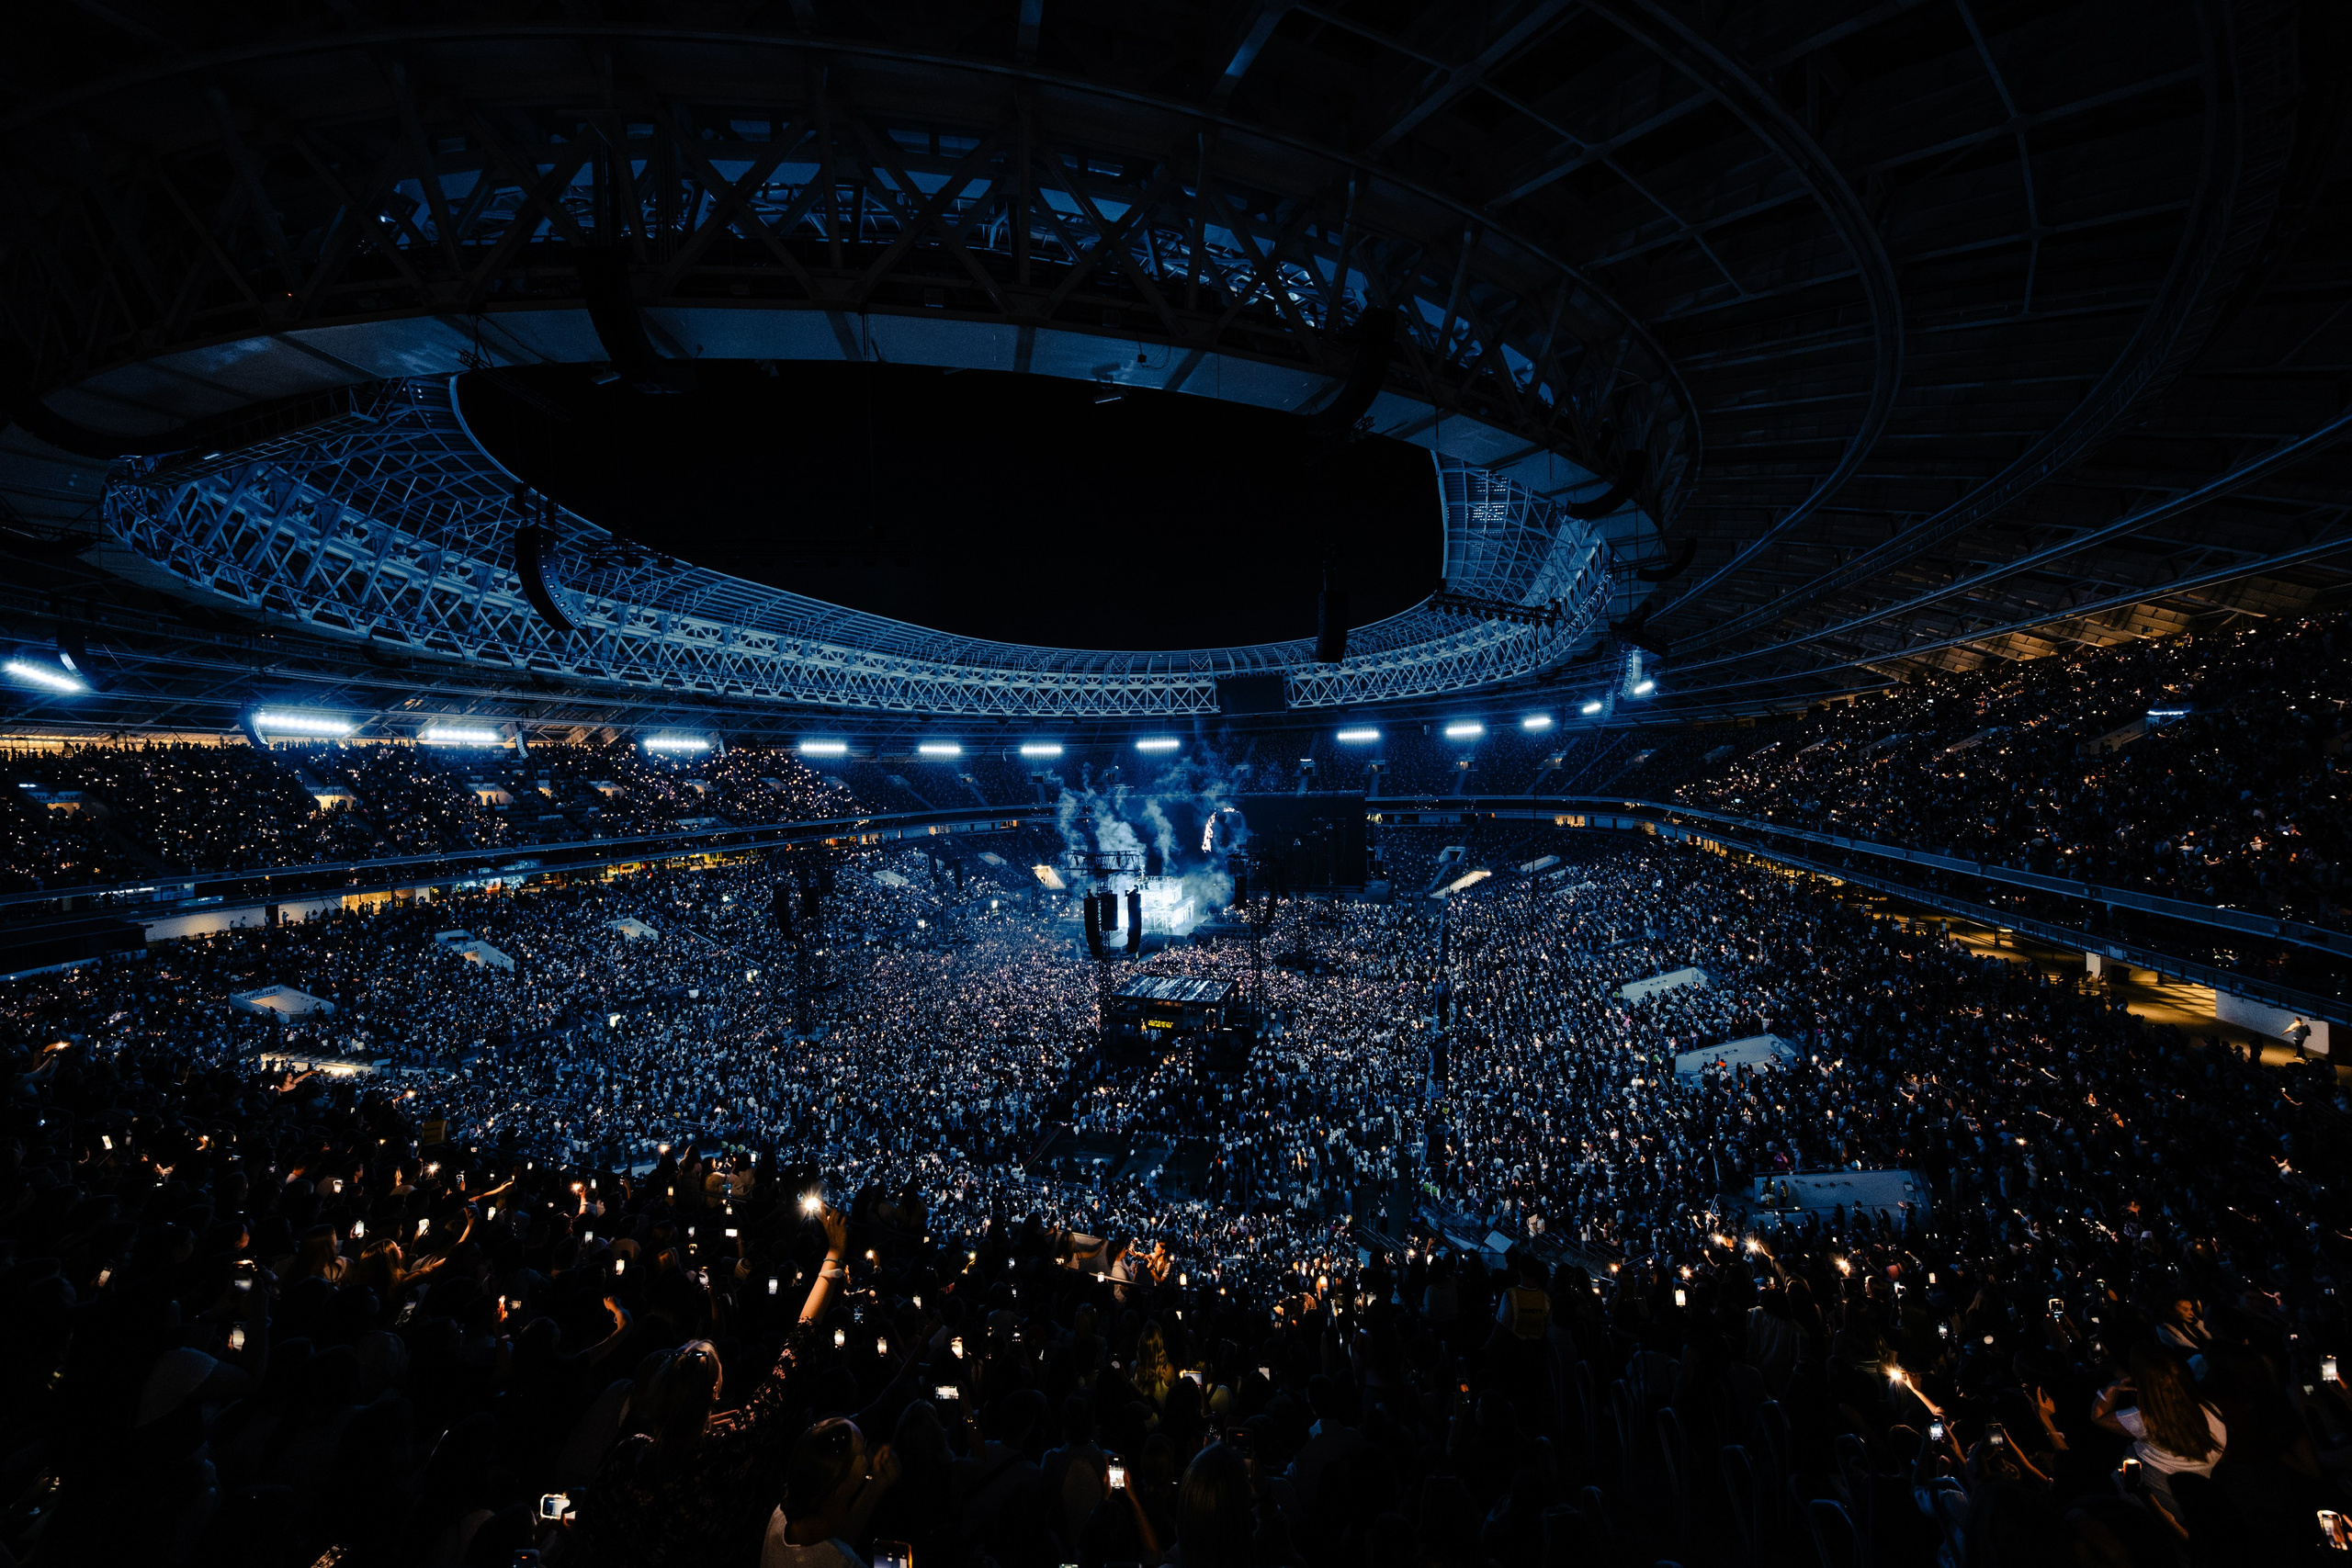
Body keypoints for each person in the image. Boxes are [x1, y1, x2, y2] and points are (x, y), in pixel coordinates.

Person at [2091, 1346, 2225, 1510]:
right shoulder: (2209, 1407)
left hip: (2160, 1486)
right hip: (2199, 1481)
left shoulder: (2145, 1419)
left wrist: (2111, 1388)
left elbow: (2098, 1417)